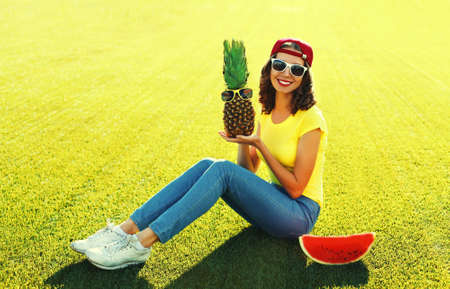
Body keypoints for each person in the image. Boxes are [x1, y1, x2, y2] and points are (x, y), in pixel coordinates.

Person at [70, 38, 328, 270]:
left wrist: (259, 145)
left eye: (296, 69)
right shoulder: (266, 110)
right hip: (272, 203)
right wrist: (243, 142)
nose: (286, 74)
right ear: (269, 66)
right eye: (280, 65)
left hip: (299, 214)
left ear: (305, 77)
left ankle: (141, 244)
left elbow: (295, 189)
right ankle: (124, 231)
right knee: (209, 164)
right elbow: (247, 172)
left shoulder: (311, 119)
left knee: (222, 171)